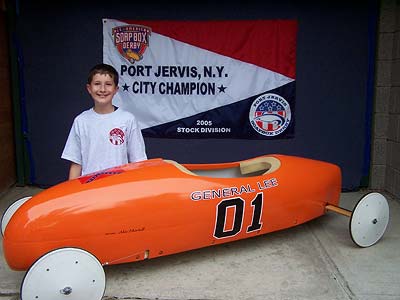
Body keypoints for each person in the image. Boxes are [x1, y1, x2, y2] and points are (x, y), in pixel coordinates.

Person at [61, 63, 147, 179]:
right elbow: (76, 163)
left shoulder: (127, 119)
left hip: (118, 187)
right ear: (89, 88)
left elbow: (138, 162)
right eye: (97, 84)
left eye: (108, 84)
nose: (102, 89)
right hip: (89, 188)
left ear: (116, 89)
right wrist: (71, 194)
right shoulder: (81, 121)